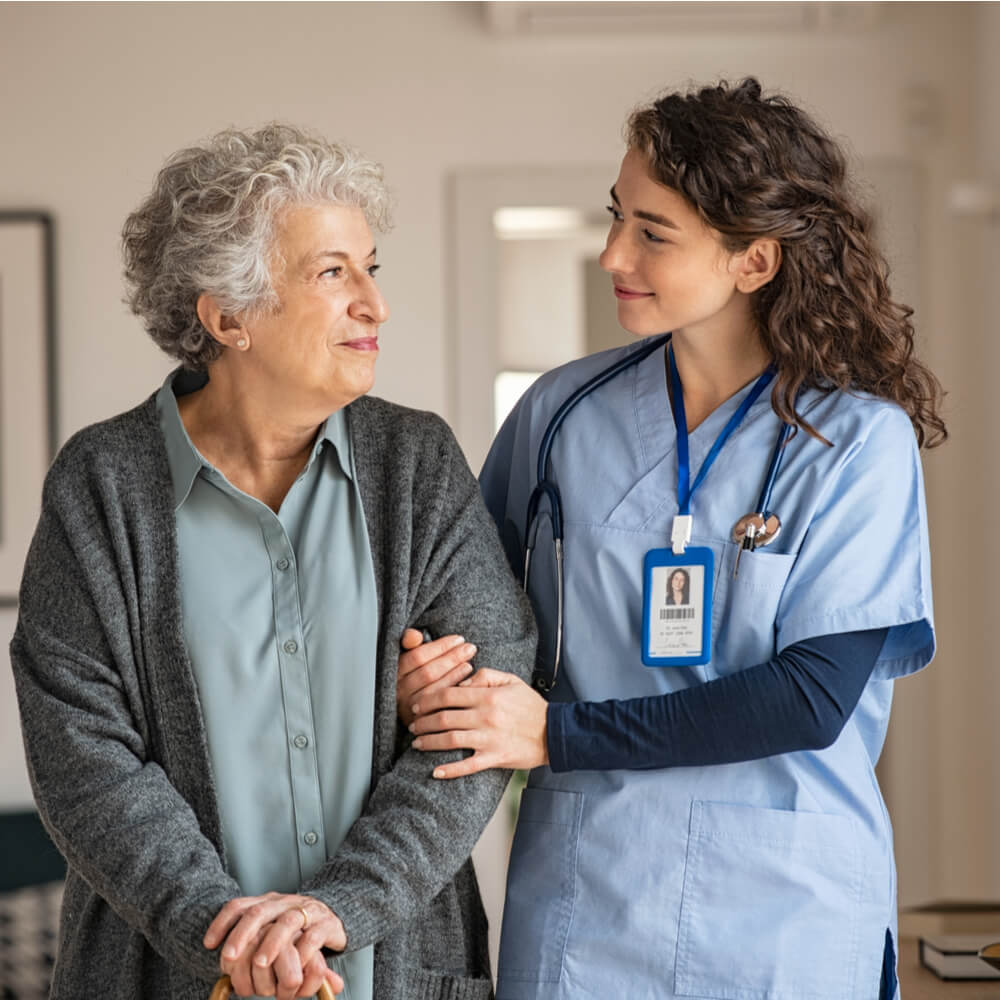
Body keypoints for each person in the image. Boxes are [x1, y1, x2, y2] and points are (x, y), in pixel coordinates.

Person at [399, 78, 945, 999]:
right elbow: (471, 612)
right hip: (590, 900)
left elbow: (811, 698)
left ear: (754, 261)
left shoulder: (856, 442)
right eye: (618, 217)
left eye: (654, 233)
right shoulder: (559, 415)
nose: (613, 252)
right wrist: (435, 671)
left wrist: (556, 735)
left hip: (786, 912)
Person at [10, 124, 534, 1000]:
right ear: (227, 316)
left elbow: (481, 715)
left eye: (372, 268)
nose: (374, 304)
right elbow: (83, 756)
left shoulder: (417, 463)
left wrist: (340, 910)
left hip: (395, 973)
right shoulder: (101, 485)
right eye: (333, 273)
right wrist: (230, 939)